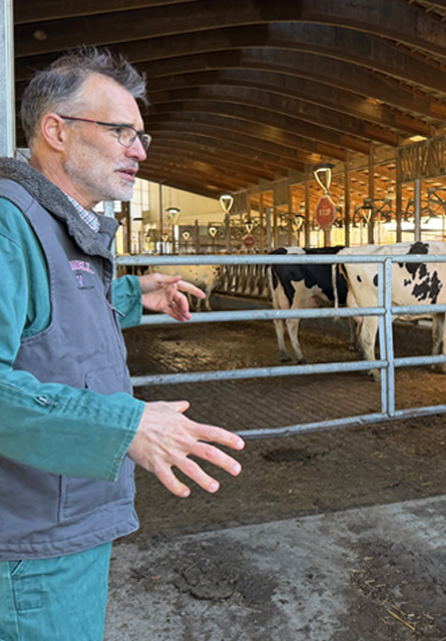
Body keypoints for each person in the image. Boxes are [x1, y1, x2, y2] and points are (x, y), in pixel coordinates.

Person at [0, 48, 245, 640]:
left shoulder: (55, 223)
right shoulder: (9, 225)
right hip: (27, 546)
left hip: (66, 523)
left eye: (141, 135)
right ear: (55, 131)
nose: (139, 150)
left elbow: (49, 317)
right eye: (121, 132)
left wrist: (133, 295)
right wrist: (124, 425)